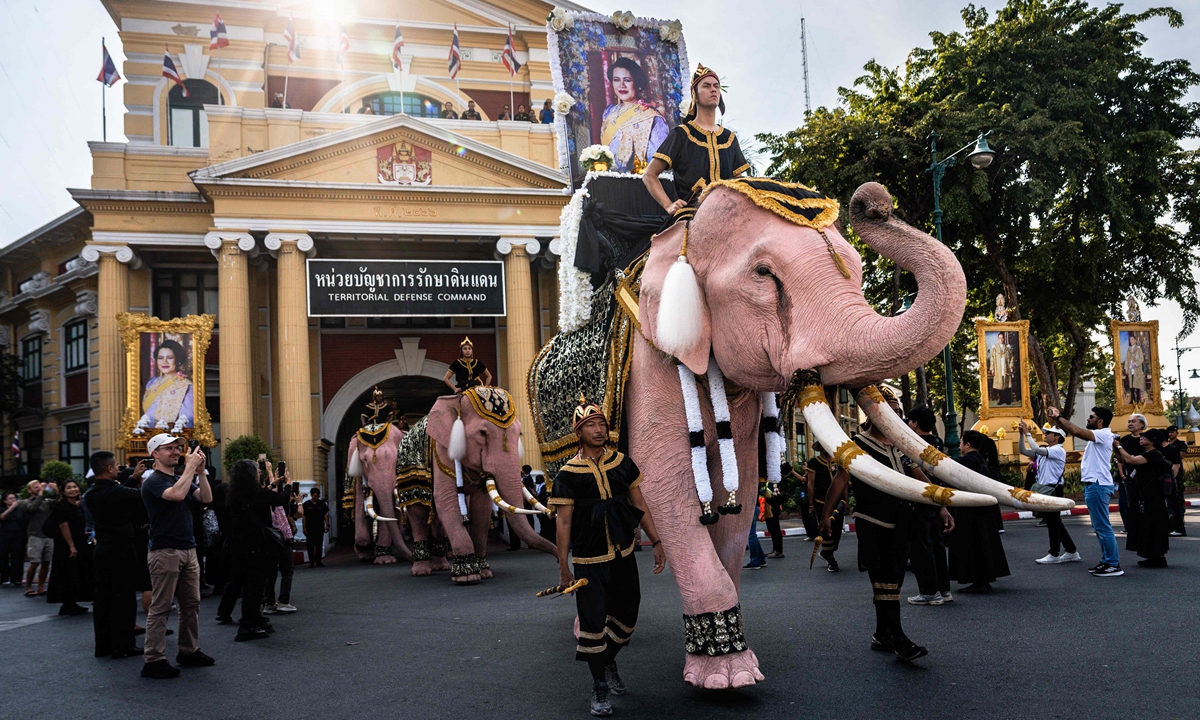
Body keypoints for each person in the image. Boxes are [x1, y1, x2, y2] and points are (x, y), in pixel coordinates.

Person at [548, 393, 665, 717]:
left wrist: (656, 542)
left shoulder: (623, 463)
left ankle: (608, 658)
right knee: (592, 625)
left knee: (628, 617)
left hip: (624, 553)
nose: (598, 430)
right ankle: (599, 685)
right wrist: (563, 566)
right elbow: (564, 522)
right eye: (590, 425)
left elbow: (639, 505)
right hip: (588, 561)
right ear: (578, 433)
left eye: (601, 424)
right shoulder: (567, 475)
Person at [821, 388, 937, 662]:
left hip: (901, 521)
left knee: (891, 583)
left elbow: (917, 474)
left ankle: (881, 634)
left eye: (897, 413)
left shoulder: (900, 446)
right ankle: (898, 639)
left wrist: (941, 505)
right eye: (889, 412)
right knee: (885, 581)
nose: (894, 417)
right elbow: (839, 480)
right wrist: (825, 515)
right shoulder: (856, 444)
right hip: (873, 522)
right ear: (873, 414)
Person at [139, 433, 215, 679]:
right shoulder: (153, 480)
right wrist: (190, 469)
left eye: (177, 447)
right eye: (169, 448)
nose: (175, 451)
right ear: (155, 454)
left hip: (188, 548)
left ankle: (188, 650)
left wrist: (200, 472)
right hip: (165, 550)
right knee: (161, 607)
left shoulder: (179, 478)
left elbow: (206, 498)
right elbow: (176, 495)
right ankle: (153, 659)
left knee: (191, 604)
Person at [642, 64, 749, 219]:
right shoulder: (681, 134)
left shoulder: (729, 138)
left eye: (716, 86)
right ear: (695, 96)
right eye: (706, 86)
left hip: (728, 216)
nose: (713, 89)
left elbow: (739, 182)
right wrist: (669, 205)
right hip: (692, 217)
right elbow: (649, 175)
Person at [84, 451, 147, 659]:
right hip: (121, 550)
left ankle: (103, 646)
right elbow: (138, 496)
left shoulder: (92, 493)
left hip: (102, 550)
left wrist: (134, 477)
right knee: (124, 599)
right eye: (117, 465)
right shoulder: (115, 493)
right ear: (110, 468)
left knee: (103, 600)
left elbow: (118, 492)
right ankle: (123, 645)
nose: (119, 468)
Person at [1049, 405, 1122, 577]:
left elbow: (1078, 431)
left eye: (1091, 416)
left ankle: (1113, 564)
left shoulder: (1103, 434)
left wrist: (1058, 417)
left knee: (1103, 527)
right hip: (1095, 484)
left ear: (1100, 421)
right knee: (1099, 527)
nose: (1088, 419)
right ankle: (1107, 561)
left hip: (1098, 485)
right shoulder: (1098, 436)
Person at [947, 431, 1010, 593]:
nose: (960, 445)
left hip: (968, 509)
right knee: (984, 544)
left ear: (967, 445)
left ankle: (976, 580)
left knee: (970, 545)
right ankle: (984, 579)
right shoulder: (982, 459)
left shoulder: (962, 462)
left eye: (961, 442)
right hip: (983, 509)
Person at [220, 459, 275, 641]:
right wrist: (288, 484)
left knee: (246, 585)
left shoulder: (234, 493)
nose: (259, 473)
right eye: (257, 471)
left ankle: (253, 619)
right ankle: (247, 625)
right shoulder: (255, 493)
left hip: (239, 545)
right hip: (255, 546)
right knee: (254, 587)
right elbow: (279, 499)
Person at [905, 405, 955, 605]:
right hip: (938, 498)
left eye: (909, 421)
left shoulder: (910, 444)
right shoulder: (937, 442)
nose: (908, 424)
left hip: (920, 498)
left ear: (915, 423)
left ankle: (929, 592)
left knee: (920, 546)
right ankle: (944, 590)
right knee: (937, 545)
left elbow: (913, 471)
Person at [1018, 422, 1080, 565]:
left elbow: (1034, 448)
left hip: (1053, 489)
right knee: (1055, 522)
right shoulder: (1045, 450)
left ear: (1057, 437)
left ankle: (1054, 553)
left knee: (1053, 522)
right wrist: (1021, 434)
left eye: (1048, 433)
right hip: (1046, 489)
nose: (1045, 435)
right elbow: (1023, 450)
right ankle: (1071, 551)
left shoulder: (1058, 450)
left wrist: (1028, 433)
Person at [599, 57, 669, 173]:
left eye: (627, 80)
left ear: (637, 82)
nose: (621, 85)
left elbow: (659, 157)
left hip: (639, 179)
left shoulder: (652, 116)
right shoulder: (609, 112)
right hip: (608, 178)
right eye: (616, 80)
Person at [1114, 428, 1172, 567]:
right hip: (1145, 496)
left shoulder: (1155, 454)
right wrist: (1115, 447)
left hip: (1154, 497)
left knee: (1155, 525)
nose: (1140, 438)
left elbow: (1131, 459)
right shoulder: (1146, 454)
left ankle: (1159, 557)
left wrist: (1119, 446)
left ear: (1153, 440)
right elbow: (1123, 459)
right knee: (1146, 525)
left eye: (1144, 437)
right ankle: (1152, 556)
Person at [46, 479, 93, 616]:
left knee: (75, 572)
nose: (73, 489)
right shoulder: (63, 506)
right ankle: (68, 603)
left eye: (74, 487)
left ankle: (72, 602)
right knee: (68, 573)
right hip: (66, 545)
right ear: (63, 491)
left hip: (77, 542)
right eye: (69, 488)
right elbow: (63, 526)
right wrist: (71, 546)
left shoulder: (76, 506)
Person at [136, 339, 194, 434]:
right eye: (160, 358)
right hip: (148, 433)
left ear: (178, 359)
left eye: (169, 358)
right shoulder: (152, 382)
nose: (164, 362)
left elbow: (188, 417)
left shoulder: (185, 386)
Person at [806, 445, 848, 571]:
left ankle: (829, 551)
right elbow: (810, 484)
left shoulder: (838, 461)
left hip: (838, 502)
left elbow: (843, 482)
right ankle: (830, 558)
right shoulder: (814, 463)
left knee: (838, 529)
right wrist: (811, 504)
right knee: (827, 530)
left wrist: (846, 501)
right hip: (821, 502)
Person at [263, 467, 297, 615]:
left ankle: (269, 603)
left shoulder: (261, 499)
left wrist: (271, 474)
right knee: (287, 571)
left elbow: (272, 491)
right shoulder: (278, 502)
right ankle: (283, 601)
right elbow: (283, 496)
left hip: (267, 540)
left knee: (270, 573)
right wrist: (288, 482)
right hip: (281, 539)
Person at [20, 479, 56, 596]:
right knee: (34, 562)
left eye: (39, 486)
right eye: (35, 487)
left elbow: (58, 504)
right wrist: (40, 494)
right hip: (35, 535)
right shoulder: (26, 502)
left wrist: (56, 490)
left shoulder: (46, 501)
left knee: (46, 562)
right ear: (29, 490)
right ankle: (29, 586)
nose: (38, 488)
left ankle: (41, 587)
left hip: (48, 535)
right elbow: (32, 508)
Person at [1115, 413, 1147, 531]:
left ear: (1142, 424)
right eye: (1129, 421)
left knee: (1142, 504)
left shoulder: (1146, 439)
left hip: (1144, 478)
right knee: (1124, 504)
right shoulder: (1125, 440)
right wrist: (1122, 474)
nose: (1130, 424)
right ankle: (1129, 527)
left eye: (1133, 421)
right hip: (1127, 477)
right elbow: (1120, 459)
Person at [1165, 426, 1188, 536]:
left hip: (1177, 473)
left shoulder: (1180, 444)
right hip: (1167, 471)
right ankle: (1171, 521)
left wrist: (1171, 451)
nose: (1170, 434)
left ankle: (1180, 518)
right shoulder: (1166, 445)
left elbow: (1181, 455)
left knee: (1178, 496)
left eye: (1172, 432)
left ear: (1177, 433)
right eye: (1168, 432)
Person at [0, 492, 26, 586]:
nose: (13, 500)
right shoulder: (3, 509)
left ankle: (16, 578)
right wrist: (11, 508)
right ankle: (4, 577)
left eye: (14, 498)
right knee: (3, 557)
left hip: (18, 535)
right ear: (5, 501)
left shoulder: (20, 509)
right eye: (10, 498)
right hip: (5, 535)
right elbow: (2, 517)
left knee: (18, 557)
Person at [301, 488, 329, 567]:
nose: (316, 497)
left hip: (319, 527)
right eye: (315, 496)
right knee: (310, 545)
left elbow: (325, 514)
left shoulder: (322, 504)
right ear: (311, 495)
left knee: (319, 545)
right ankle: (311, 562)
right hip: (309, 527)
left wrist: (327, 524)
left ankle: (318, 561)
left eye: (317, 496)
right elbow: (304, 517)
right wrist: (304, 527)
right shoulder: (306, 504)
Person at [743, 479, 768, 570]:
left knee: (751, 535)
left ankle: (755, 561)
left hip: (750, 507)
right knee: (752, 535)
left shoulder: (749, 481)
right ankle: (760, 559)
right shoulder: (753, 480)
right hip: (754, 507)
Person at [987, 333, 1016, 405]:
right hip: (998, 369)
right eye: (999, 338)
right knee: (1000, 385)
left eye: (1002, 338)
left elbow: (1012, 357)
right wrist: (992, 369)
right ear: (998, 339)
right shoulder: (995, 349)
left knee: (1006, 385)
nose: (1001, 339)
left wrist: (1011, 365)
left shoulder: (1007, 348)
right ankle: (1001, 400)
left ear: (1004, 339)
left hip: (1006, 368)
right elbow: (992, 359)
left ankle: (1007, 400)